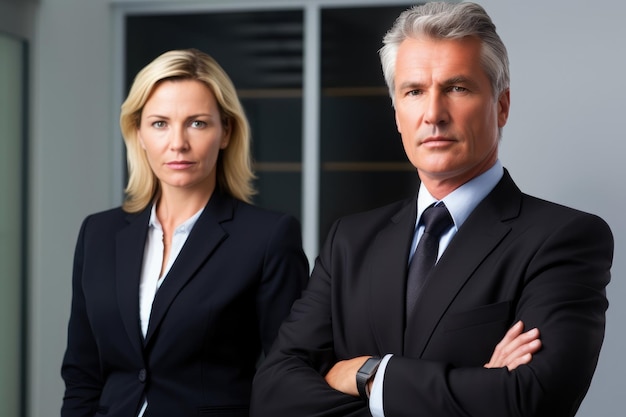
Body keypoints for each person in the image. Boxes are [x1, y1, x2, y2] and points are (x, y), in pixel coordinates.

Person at [251, 3, 613, 417]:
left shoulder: (564, 238)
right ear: (396, 114)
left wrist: (368, 375)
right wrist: (475, 387)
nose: (433, 114)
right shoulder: (350, 241)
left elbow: (532, 400)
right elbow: (273, 394)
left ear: (502, 106)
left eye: (457, 88)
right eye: (414, 91)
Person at [60, 48, 309, 417]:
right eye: (160, 123)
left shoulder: (268, 237)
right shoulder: (98, 233)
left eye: (197, 123)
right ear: (138, 133)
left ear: (226, 131)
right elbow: (83, 374)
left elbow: (289, 377)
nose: (178, 142)